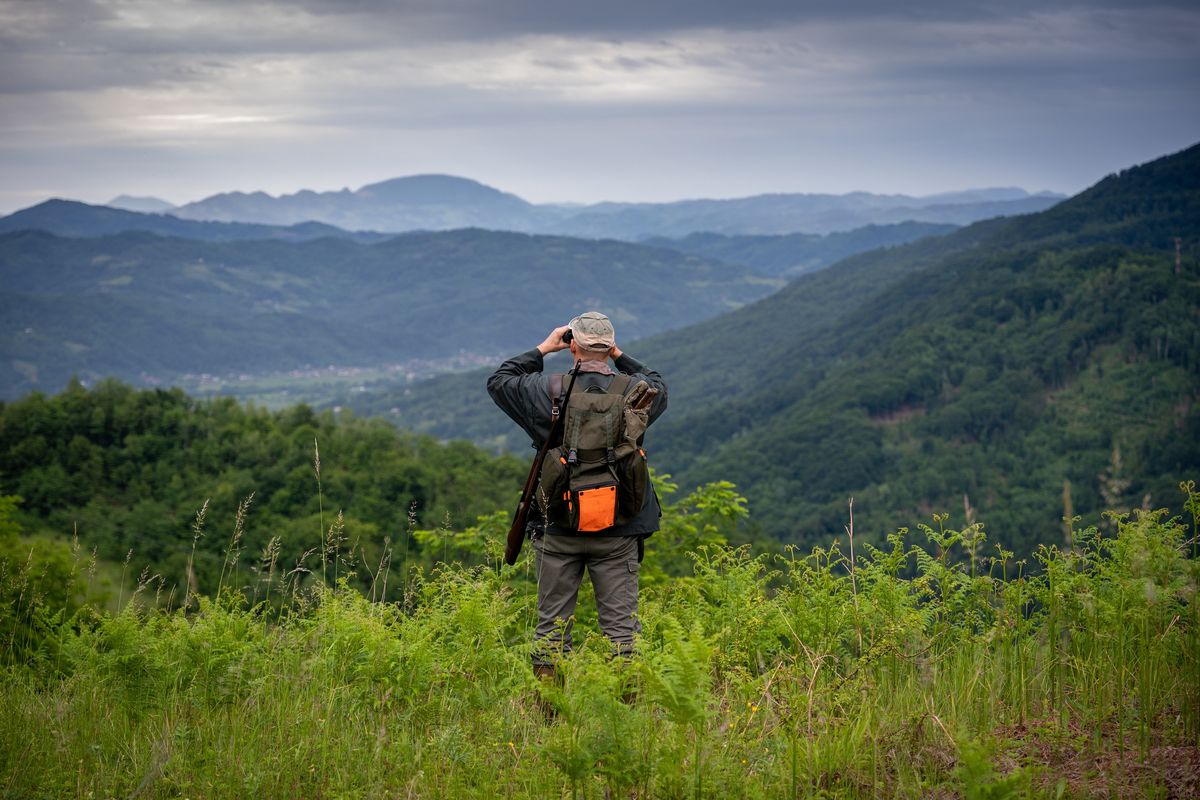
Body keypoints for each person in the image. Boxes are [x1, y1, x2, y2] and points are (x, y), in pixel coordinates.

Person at [487, 311, 668, 677]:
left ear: (573, 345)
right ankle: (627, 719)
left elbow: (500, 380)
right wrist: (619, 355)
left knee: (551, 630)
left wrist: (544, 347)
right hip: (618, 528)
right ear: (609, 346)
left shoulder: (544, 391)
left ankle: (549, 717)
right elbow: (658, 383)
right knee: (622, 634)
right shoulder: (637, 394)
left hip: (558, 526)